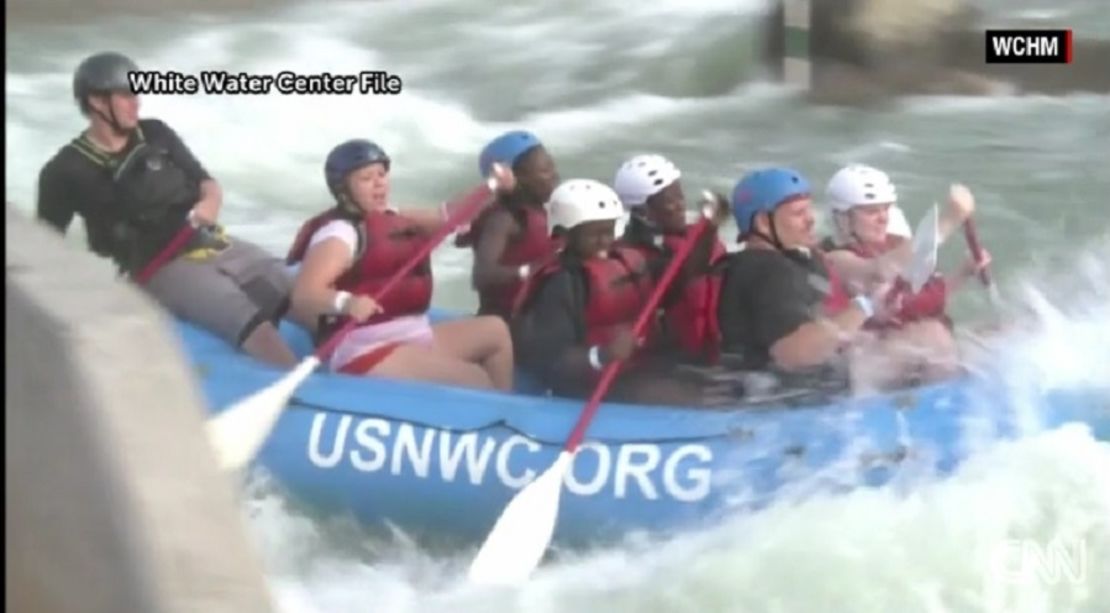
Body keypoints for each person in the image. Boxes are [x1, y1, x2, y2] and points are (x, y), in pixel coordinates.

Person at [36, 51, 300, 367]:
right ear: (96, 101)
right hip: (159, 269)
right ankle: (308, 392)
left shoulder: (156, 133)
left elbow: (207, 184)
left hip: (208, 241)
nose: (138, 102)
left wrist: (209, 204)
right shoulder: (65, 171)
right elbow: (44, 250)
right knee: (253, 323)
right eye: (127, 95)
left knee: (294, 289)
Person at [286, 138, 515, 391]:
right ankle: (491, 413)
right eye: (366, 178)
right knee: (476, 379)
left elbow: (449, 215)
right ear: (344, 190)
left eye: (382, 174)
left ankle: (505, 418)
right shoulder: (340, 234)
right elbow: (305, 294)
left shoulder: (392, 216)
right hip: (365, 349)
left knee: (496, 331)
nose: (379, 183)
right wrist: (347, 303)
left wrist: (490, 188)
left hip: (410, 334)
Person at [717, 167, 962, 393]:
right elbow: (794, 354)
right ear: (762, 222)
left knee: (957, 338)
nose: (811, 219)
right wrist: (865, 307)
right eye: (798, 213)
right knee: (932, 337)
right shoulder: (768, 270)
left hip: (819, 377)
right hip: (803, 391)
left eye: (809, 210)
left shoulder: (787, 261)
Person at [511, 178, 703, 405]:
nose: (605, 241)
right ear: (565, 234)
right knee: (679, 396)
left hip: (637, 368)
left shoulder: (627, 259)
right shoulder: (562, 283)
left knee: (708, 383)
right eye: (595, 234)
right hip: (586, 386)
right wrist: (602, 355)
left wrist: (708, 230)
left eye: (609, 231)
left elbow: (687, 275)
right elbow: (550, 359)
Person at [821, 164, 991, 330]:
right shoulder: (835, 259)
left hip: (931, 348)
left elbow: (926, 303)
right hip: (884, 353)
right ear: (842, 218)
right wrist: (947, 221)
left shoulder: (894, 244)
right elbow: (879, 272)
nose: (883, 218)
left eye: (886, 209)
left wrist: (964, 272)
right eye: (871, 211)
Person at [612, 154, 730, 364]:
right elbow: (686, 273)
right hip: (670, 362)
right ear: (643, 211)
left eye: (680, 196)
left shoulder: (695, 235)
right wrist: (710, 229)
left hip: (716, 353)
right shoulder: (631, 257)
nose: (680, 205)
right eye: (670, 201)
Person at [455, 130, 561, 320]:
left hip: (540, 317)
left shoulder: (541, 211)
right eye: (545, 171)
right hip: (508, 323)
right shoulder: (503, 219)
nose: (555, 176)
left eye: (552, 167)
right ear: (513, 177)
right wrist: (530, 270)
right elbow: (482, 275)